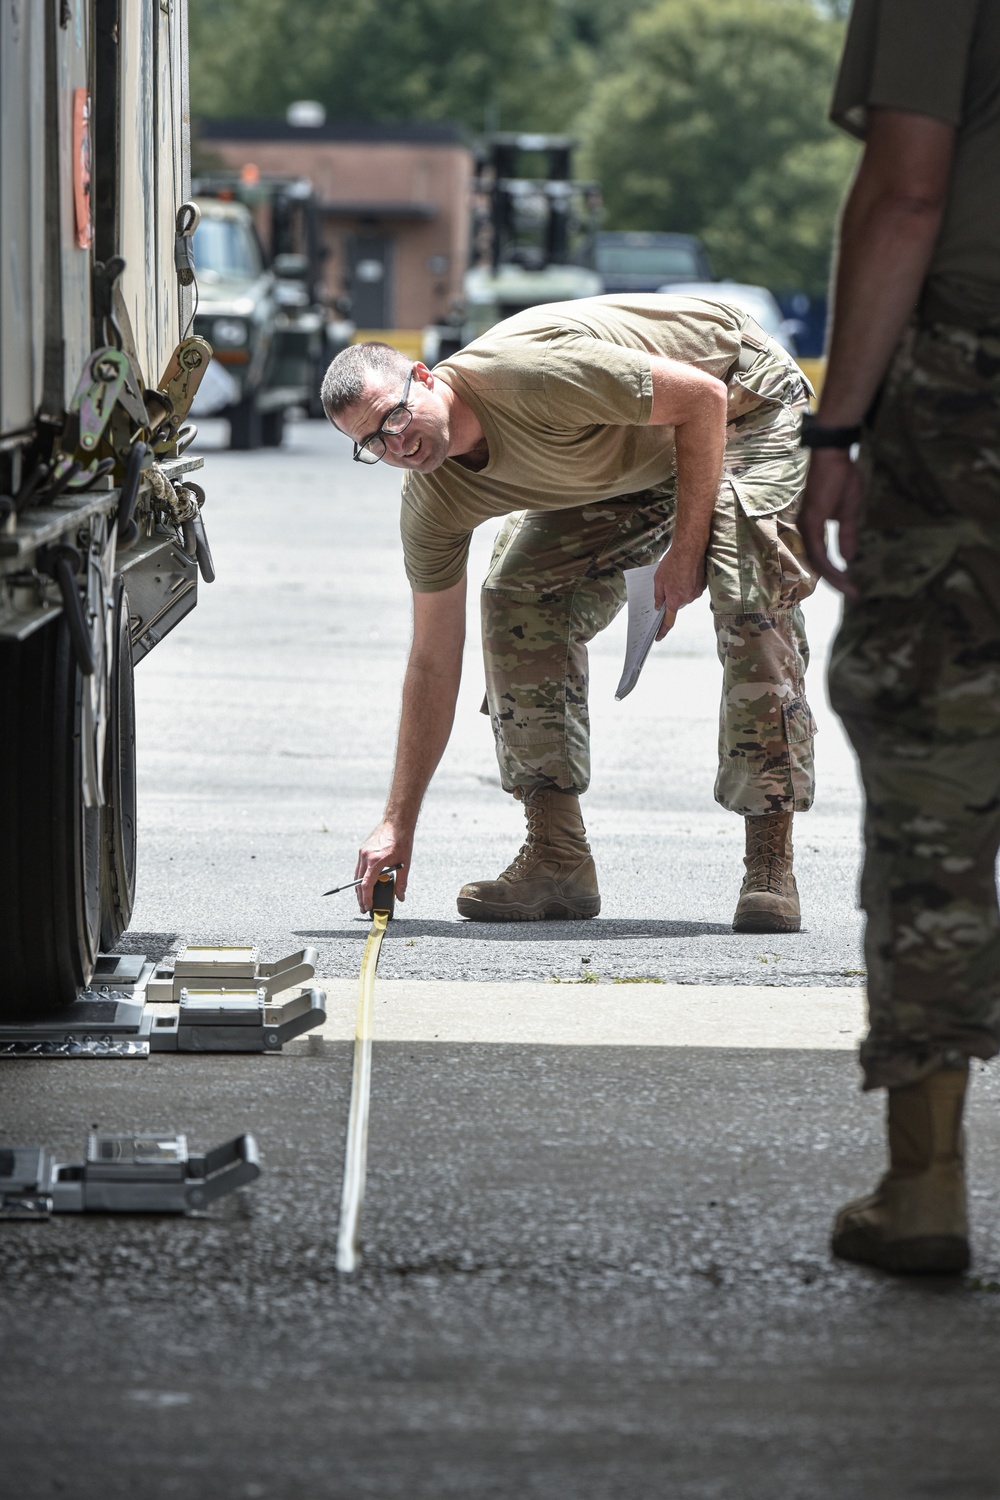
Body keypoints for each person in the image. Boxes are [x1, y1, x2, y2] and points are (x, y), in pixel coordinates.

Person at [323, 293, 816, 934]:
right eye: (370, 444)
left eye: (393, 418)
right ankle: (556, 859)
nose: (395, 445)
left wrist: (686, 550)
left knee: (749, 587)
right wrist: (398, 821)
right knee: (518, 597)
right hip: (637, 452)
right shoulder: (433, 501)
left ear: (424, 376)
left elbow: (702, 401)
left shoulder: (530, 376)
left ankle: (769, 860)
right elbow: (432, 659)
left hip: (744, 403)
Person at [798, 0, 1000, 1273]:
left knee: (934, 741)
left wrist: (835, 434)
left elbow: (908, 189)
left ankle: (925, 1189)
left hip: (970, 388)